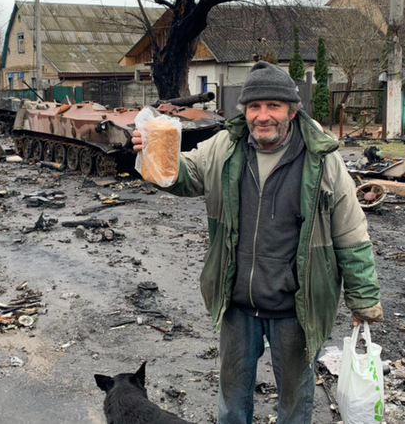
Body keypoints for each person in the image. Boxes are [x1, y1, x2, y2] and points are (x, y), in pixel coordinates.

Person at [131, 61, 383, 424]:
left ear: (292, 111)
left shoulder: (322, 160)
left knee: (295, 404)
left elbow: (351, 233)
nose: (263, 116)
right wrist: (152, 155)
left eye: (273, 106)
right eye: (254, 107)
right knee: (232, 404)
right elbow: (185, 176)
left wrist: (364, 299)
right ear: (245, 111)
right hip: (238, 306)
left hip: (295, 309)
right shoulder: (225, 147)